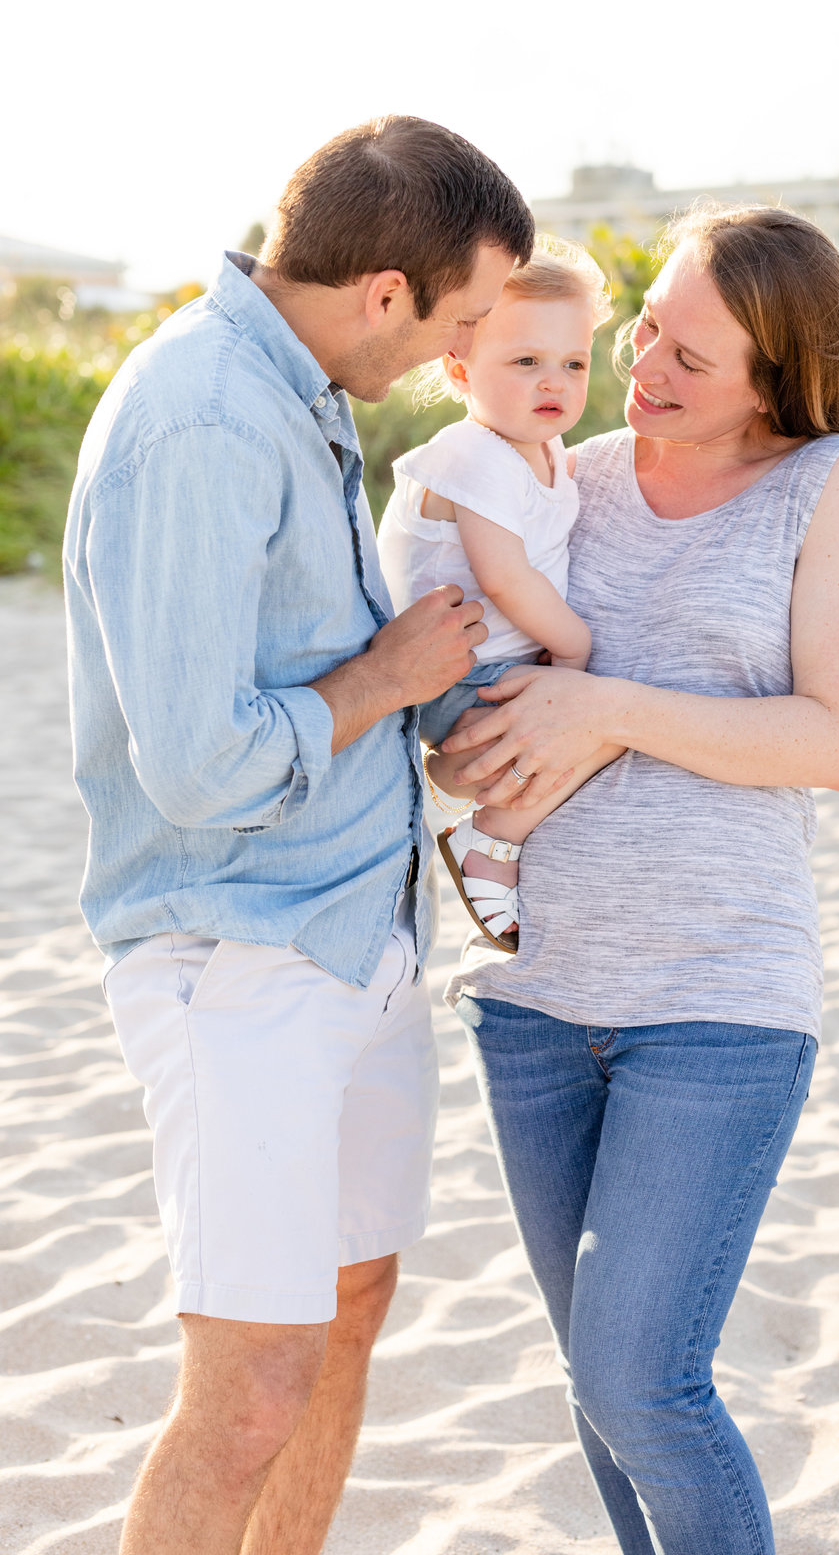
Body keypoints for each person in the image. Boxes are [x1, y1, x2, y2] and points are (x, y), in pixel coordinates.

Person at [62, 115, 533, 1555]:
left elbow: (305, 664)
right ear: (385, 291)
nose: (458, 354)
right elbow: (201, 763)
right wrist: (385, 679)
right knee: (254, 1382)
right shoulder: (203, 413)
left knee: (344, 1317)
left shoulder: (300, 393)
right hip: (240, 958)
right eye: (459, 318)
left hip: (353, 940)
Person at [438, 206, 839, 1555]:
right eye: (648, 332)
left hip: (718, 1007)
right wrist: (483, 749)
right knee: (598, 1393)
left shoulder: (829, 484)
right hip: (533, 1004)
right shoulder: (553, 477)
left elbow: (838, 739)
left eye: (694, 359)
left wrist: (612, 710)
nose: (645, 371)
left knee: (645, 1378)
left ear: (775, 375)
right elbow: (479, 721)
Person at [377, 237, 613, 951]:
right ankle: (486, 831)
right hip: (456, 674)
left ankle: (461, 789)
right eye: (525, 362)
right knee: (597, 727)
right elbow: (506, 574)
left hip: (499, 664)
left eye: (572, 363)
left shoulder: (542, 452)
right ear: (459, 367)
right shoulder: (473, 455)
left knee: (609, 723)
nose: (555, 384)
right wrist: (572, 647)